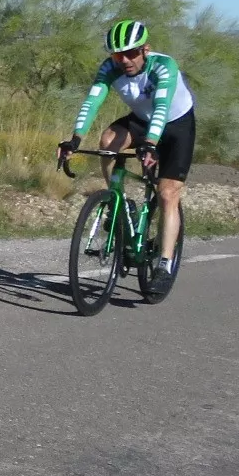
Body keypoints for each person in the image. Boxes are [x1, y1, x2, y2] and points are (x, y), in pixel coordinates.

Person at [57, 19, 194, 293]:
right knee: (108, 141)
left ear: (145, 49)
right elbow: (92, 101)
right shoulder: (110, 68)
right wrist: (74, 139)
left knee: (167, 193)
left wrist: (150, 144)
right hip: (142, 120)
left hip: (176, 125)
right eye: (118, 55)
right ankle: (118, 202)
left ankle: (164, 264)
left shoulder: (163, 66)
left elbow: (162, 106)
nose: (125, 60)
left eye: (131, 53)